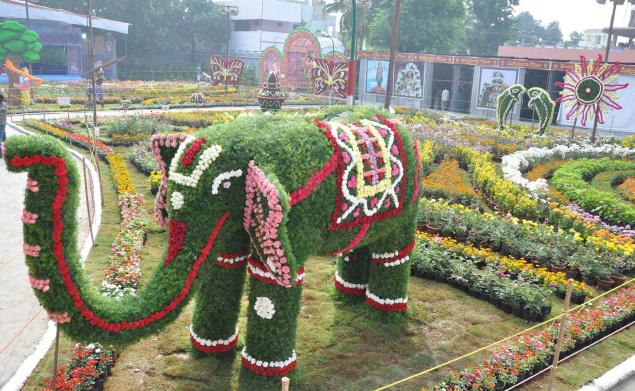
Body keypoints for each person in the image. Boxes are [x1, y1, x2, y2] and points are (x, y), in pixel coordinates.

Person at [0, 93, 7, 159]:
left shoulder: (4, 105)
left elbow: (2, 110)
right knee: (2, 134)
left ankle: (0, 154)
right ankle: (4, 137)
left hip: (1, 123)